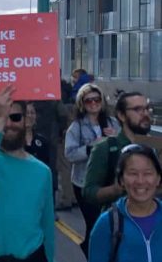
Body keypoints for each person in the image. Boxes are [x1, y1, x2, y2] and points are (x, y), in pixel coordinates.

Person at [0, 85, 54, 262]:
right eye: (2, 117)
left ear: (27, 121)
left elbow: (47, 224)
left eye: (15, 117)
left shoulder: (42, 171)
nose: (8, 124)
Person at [65, 83, 120, 255]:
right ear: (82, 104)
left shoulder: (113, 123)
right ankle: (93, 252)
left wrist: (115, 138)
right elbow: (70, 154)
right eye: (89, 101)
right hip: (84, 182)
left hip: (109, 180)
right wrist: (90, 148)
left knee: (109, 221)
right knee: (94, 222)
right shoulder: (76, 127)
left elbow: (124, 147)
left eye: (97, 99)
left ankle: (100, 251)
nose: (94, 104)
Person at [88, 144, 162, 262]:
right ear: (121, 180)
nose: (140, 181)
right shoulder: (107, 224)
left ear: (158, 178)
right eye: (133, 173)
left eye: (148, 173)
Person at [83, 91, 151, 207]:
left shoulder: (154, 148)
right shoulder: (105, 148)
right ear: (121, 115)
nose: (144, 114)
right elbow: (89, 192)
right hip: (119, 219)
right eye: (137, 109)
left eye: (147, 109)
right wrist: (115, 189)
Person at [24, 102, 51, 167]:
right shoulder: (13, 140)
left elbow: (46, 165)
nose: (29, 116)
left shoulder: (42, 141)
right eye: (26, 113)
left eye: (32, 113)